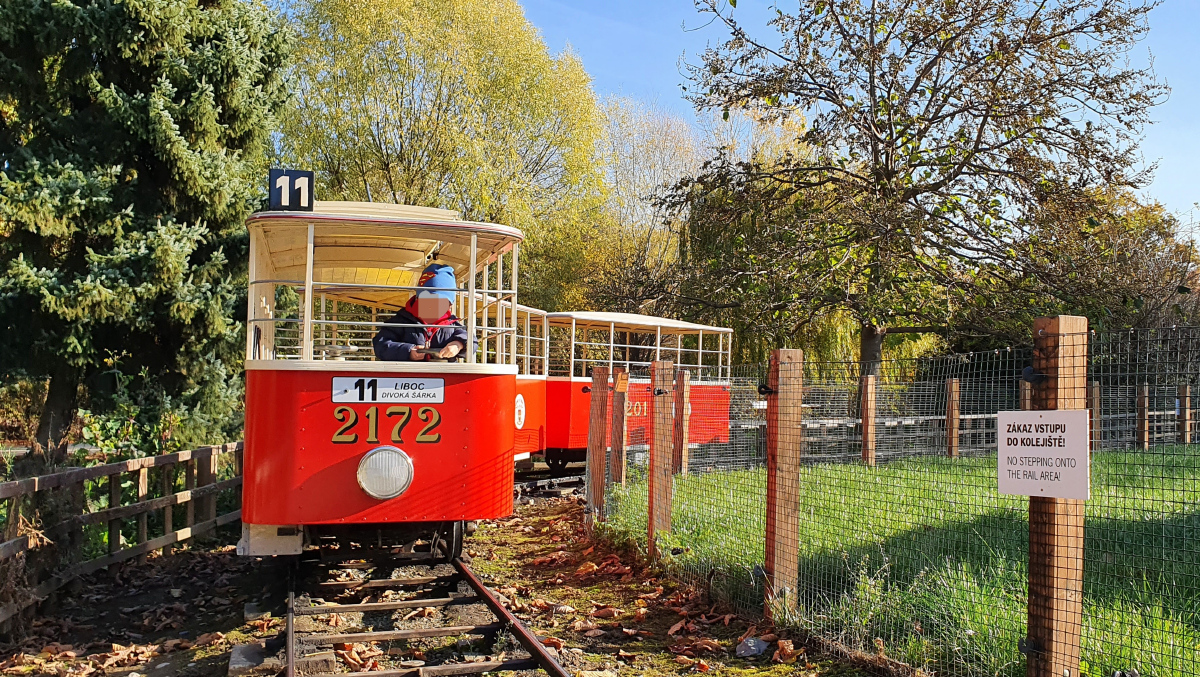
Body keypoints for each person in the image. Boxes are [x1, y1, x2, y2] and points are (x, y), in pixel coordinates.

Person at [373, 263, 469, 361]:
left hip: (444, 374)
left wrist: (458, 344)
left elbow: (471, 340)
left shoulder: (452, 324)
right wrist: (408, 351)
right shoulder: (401, 320)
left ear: (449, 305)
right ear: (418, 299)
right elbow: (380, 344)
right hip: (409, 374)